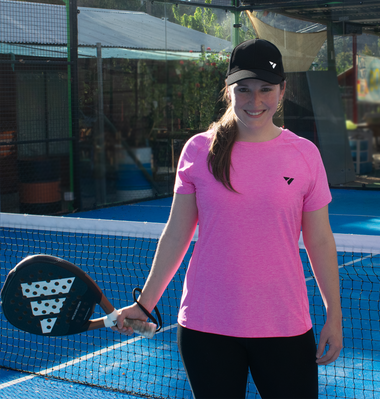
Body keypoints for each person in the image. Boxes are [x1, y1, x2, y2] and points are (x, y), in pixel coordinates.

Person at [114, 38, 343, 399]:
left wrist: (334, 313)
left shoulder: (305, 155)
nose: (255, 101)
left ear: (282, 91)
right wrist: (145, 303)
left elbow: (319, 240)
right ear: (229, 90)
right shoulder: (198, 151)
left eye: (266, 89)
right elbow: (176, 234)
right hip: (207, 327)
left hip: (284, 325)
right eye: (244, 90)